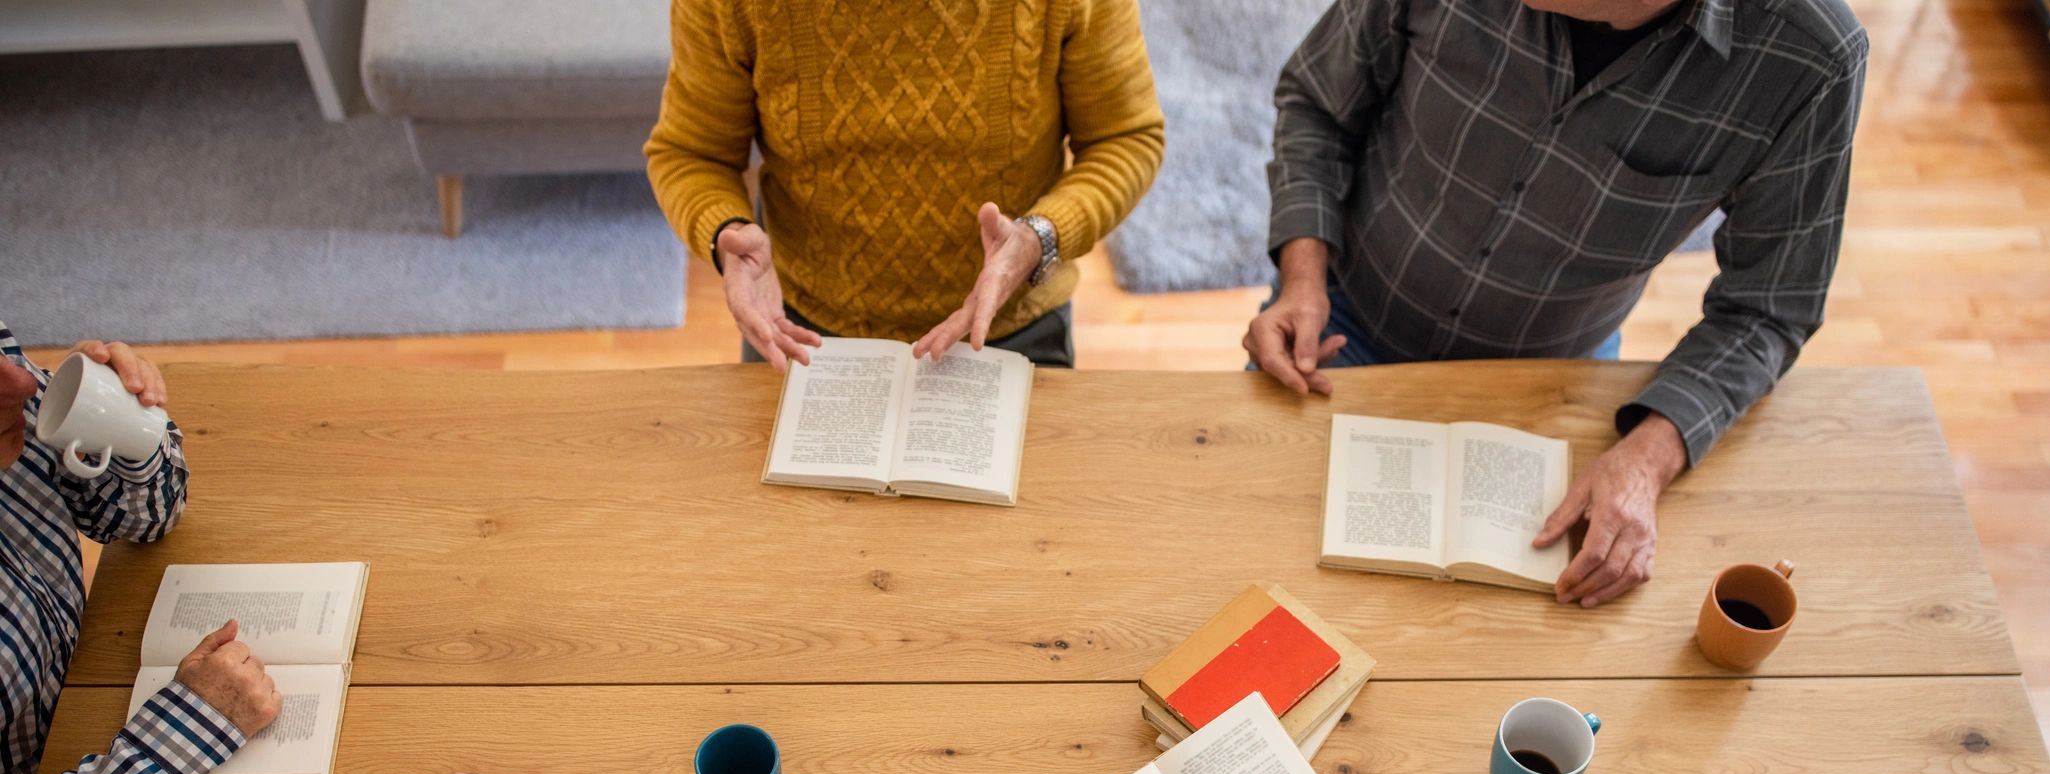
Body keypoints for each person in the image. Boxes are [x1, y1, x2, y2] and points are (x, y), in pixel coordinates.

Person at [1247, 0, 1867, 608]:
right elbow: (1318, 108)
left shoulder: (1808, 57)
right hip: (1339, 324)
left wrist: (1649, 459)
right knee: (1248, 557)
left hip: (1547, 391)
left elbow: (1768, 307)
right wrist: (1303, 279)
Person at [644, 0, 1165, 370]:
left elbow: (1125, 138)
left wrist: (1039, 237)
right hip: (804, 334)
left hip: (1011, 328)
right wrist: (726, 236)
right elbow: (692, 152)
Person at [1, 321, 281, 774]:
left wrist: (119, 427)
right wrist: (182, 736)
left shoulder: (9, 400)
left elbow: (149, 518)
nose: (23, 379)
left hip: (78, 703)